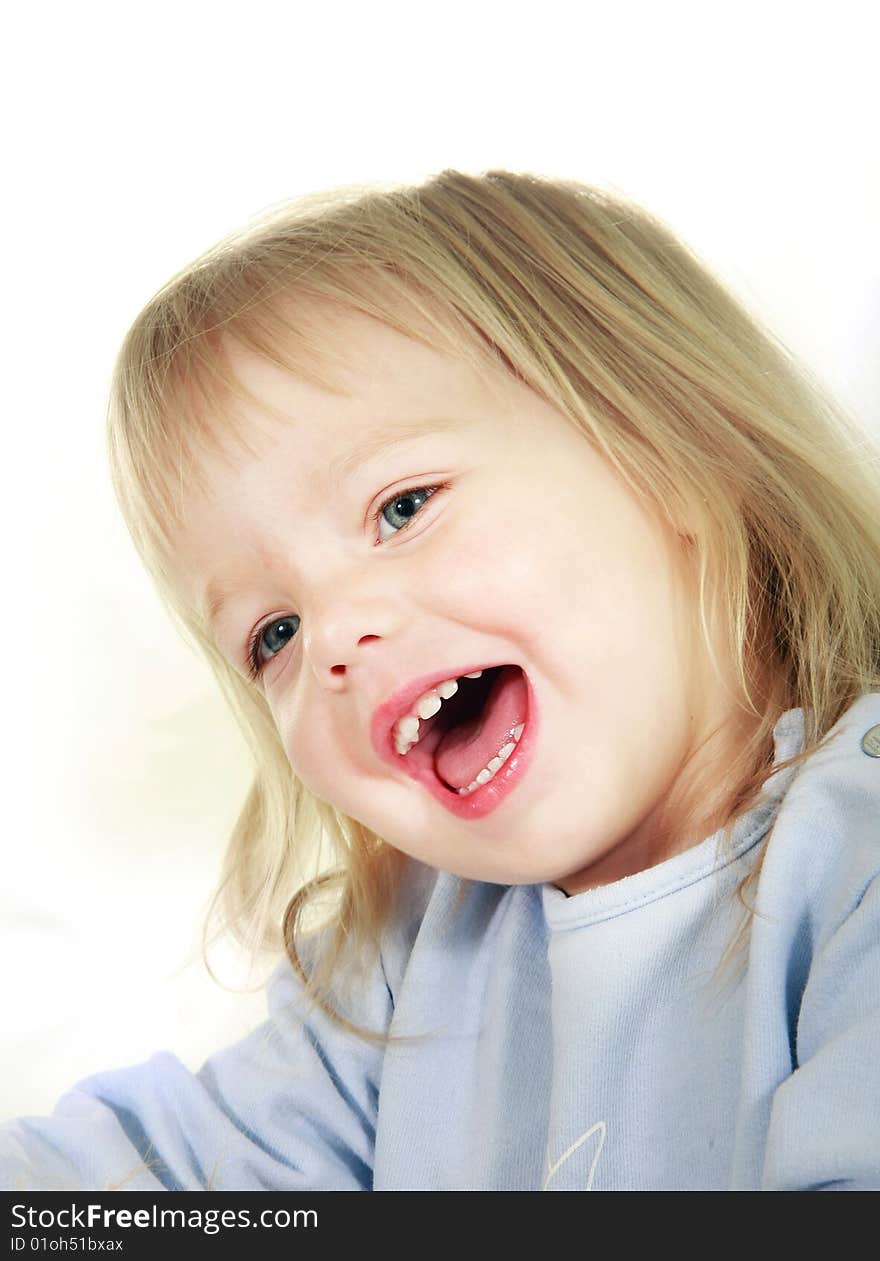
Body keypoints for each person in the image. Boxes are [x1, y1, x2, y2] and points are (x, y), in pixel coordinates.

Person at [3, 169, 879, 1192]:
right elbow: (162, 1182)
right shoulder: (408, 960)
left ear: (669, 454)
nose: (332, 638)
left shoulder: (850, 862)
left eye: (403, 507)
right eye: (272, 632)